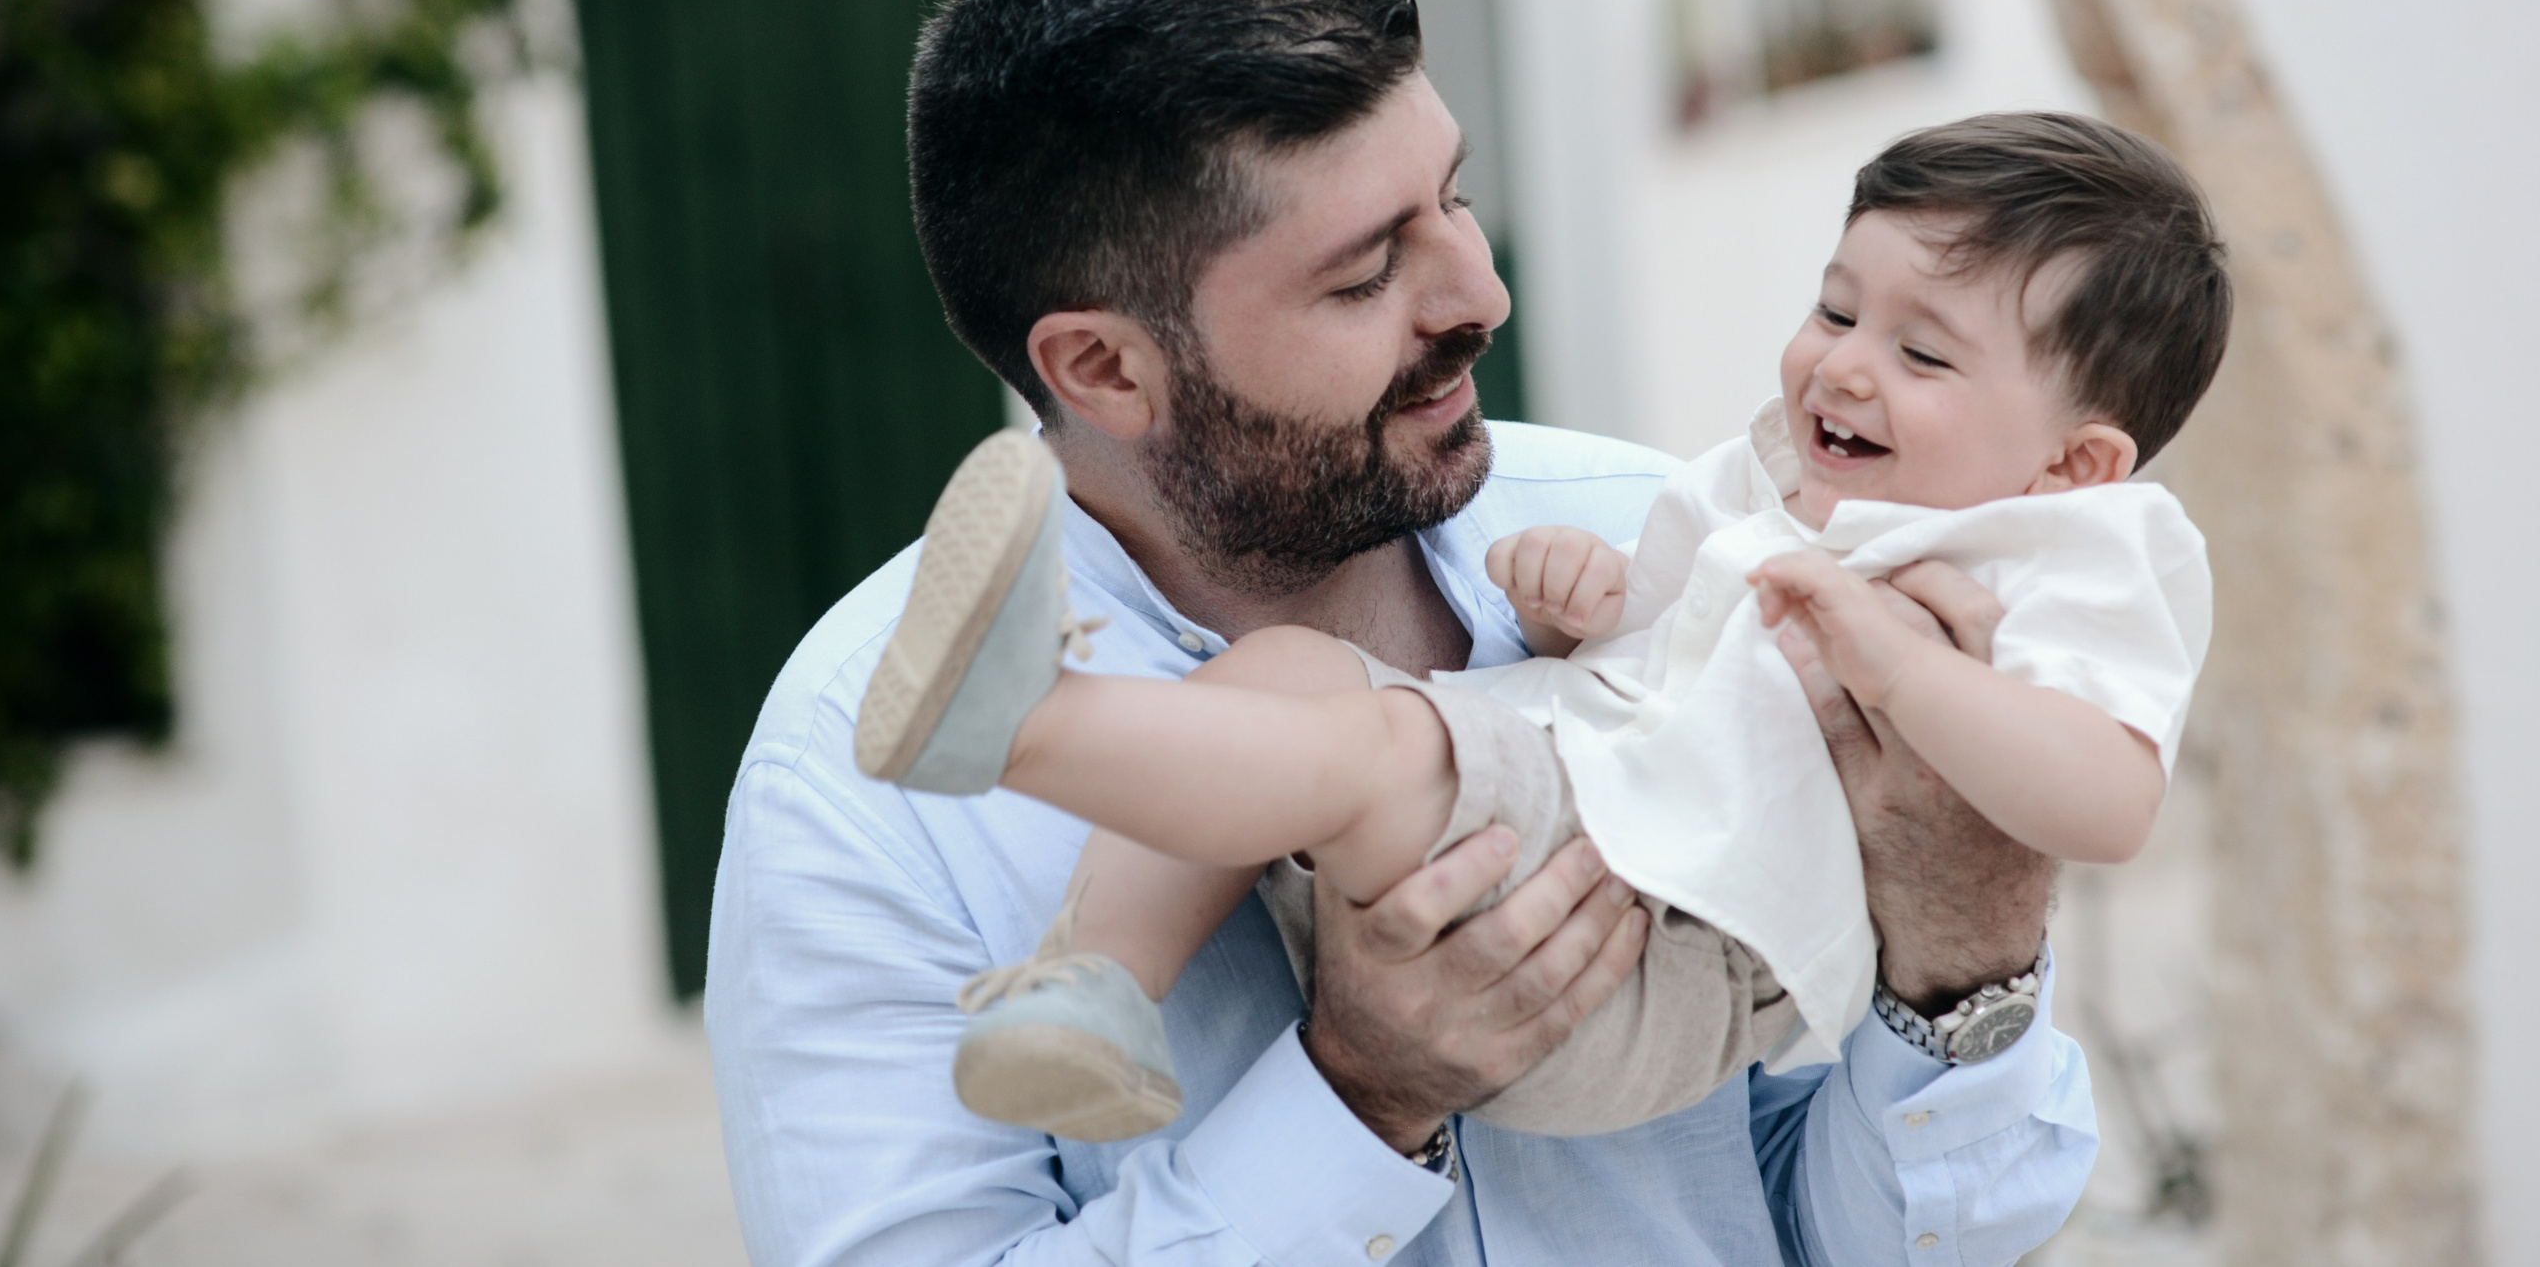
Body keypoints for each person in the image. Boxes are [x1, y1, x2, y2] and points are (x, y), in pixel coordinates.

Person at [704, 0, 2098, 1267]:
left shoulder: (1649, 538)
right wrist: (1356, 1100)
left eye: (1453, 198)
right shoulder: (852, 784)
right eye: (1368, 273)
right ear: (1106, 368)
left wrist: (1965, 960)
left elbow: (1851, 1225)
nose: (1480, 293)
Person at [853, 111, 2224, 1146]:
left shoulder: (2077, 555)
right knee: (1281, 675)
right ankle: (1090, 984)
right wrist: (1595, 604)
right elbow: (1667, 646)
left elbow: (2106, 799)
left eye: (1925, 354)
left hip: (1666, 944)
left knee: (1385, 750)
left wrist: (1907, 670)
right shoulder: (1778, 482)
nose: (1844, 362)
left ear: (2075, 465)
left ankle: (1030, 721)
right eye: (1836, 305)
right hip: (1585, 804)